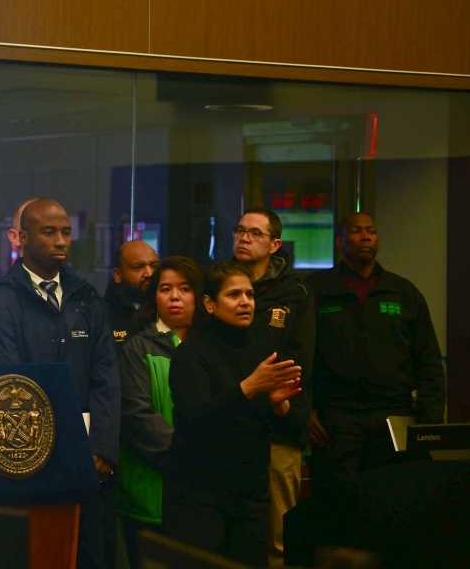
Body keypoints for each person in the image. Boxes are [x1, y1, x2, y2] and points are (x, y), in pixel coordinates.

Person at [0, 198, 119, 569]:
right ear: (21, 238)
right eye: (49, 232)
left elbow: (106, 376)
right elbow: (9, 385)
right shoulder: (1, 301)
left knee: (89, 554)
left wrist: (102, 448)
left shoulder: (86, 296)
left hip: (89, 456)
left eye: (66, 233)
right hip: (30, 456)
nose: (61, 241)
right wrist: (46, 450)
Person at [165, 261, 303, 567]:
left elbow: (272, 421)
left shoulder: (262, 347)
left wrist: (279, 405)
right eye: (234, 295)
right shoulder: (192, 352)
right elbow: (196, 419)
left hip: (250, 493)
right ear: (210, 304)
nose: (245, 302)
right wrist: (249, 388)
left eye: (250, 295)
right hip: (200, 496)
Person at [304, 212, 444, 497]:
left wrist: (430, 421)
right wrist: (303, 410)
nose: (366, 236)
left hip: (394, 415)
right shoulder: (317, 291)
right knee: (336, 502)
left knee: (394, 497)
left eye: (371, 231)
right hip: (336, 417)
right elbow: (298, 354)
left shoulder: (403, 292)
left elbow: (428, 358)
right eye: (356, 231)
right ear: (340, 240)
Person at [232, 207, 315, 565]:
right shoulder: (222, 284)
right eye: (239, 231)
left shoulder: (293, 293)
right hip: (231, 422)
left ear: (275, 244)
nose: (243, 238)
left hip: (279, 426)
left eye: (254, 233)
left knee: (278, 539)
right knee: (235, 534)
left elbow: (301, 360)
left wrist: (284, 406)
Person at [115, 256, 200, 567]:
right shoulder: (139, 348)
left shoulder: (210, 345)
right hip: (150, 485)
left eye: (184, 289)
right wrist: (188, 454)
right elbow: (137, 414)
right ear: (155, 297)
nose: (175, 297)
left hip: (202, 494)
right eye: (165, 289)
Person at [105, 240, 160, 345]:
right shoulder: (102, 316)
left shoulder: (166, 309)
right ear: (118, 275)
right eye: (138, 267)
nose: (149, 273)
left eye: (154, 266)